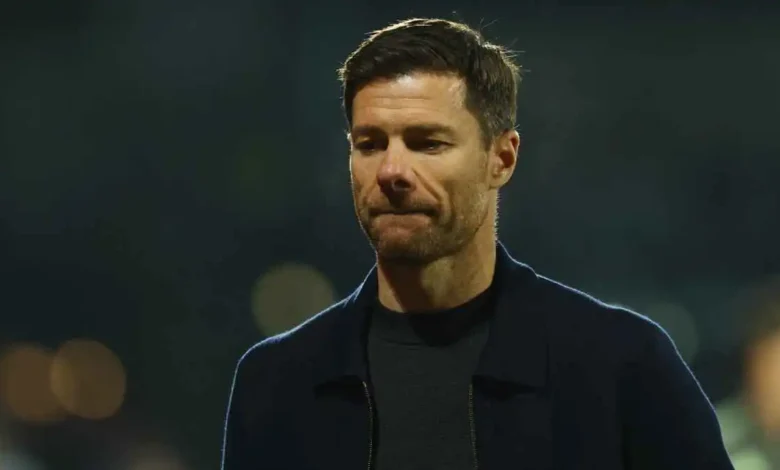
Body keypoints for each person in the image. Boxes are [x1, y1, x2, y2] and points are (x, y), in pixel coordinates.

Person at [221, 18, 734, 470]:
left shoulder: (621, 367)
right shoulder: (278, 383)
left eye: (428, 143)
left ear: (502, 159)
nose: (392, 170)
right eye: (369, 144)